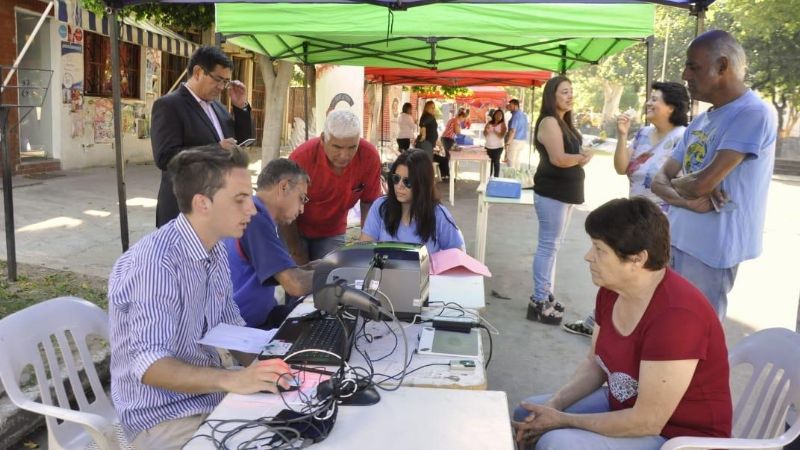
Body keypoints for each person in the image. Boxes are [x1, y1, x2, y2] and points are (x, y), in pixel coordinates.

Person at [108, 146, 292, 449]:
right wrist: (232, 379)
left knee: (294, 423)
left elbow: (230, 326)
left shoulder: (214, 247)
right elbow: (150, 365)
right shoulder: (156, 263)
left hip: (209, 396)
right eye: (240, 199)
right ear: (202, 203)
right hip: (161, 417)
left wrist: (273, 365)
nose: (252, 209)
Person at [513, 197, 732, 450]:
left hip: (680, 438)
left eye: (599, 250)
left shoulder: (677, 317)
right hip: (628, 406)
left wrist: (562, 420)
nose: (588, 256)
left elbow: (647, 422)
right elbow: (595, 363)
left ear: (637, 259)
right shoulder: (612, 290)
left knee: (558, 442)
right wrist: (554, 404)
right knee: (528, 413)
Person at [652, 30, 777, 320]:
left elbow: (701, 183)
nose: (685, 75)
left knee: (695, 331)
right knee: (668, 324)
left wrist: (682, 185)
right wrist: (685, 198)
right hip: (676, 238)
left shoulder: (753, 113)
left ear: (722, 66)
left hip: (710, 251)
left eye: (693, 66)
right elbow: (658, 180)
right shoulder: (701, 121)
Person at [563, 81, 689, 338]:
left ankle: (640, 331)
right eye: (650, 98)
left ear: (672, 107)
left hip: (663, 222)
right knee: (618, 271)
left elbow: (687, 182)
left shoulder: (683, 138)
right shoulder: (643, 134)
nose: (649, 103)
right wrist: (622, 135)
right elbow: (622, 167)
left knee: (644, 278)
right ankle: (602, 322)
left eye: (656, 99)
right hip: (634, 219)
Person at [151, 45, 254, 228]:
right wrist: (216, 149)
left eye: (226, 82)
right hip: (184, 211)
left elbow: (243, 140)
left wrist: (241, 107)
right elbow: (165, 157)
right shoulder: (169, 105)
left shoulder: (218, 107)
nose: (221, 87)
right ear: (198, 72)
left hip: (217, 209)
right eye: (218, 80)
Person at [528, 76, 593, 325]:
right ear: (552, 96)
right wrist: (581, 157)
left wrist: (579, 158)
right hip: (552, 192)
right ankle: (539, 300)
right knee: (548, 246)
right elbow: (559, 159)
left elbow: (569, 158)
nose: (570, 96)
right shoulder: (549, 122)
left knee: (553, 246)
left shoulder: (564, 123)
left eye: (571, 91)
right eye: (564, 92)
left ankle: (545, 294)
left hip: (565, 193)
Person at [225, 158, 316, 330]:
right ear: (284, 187)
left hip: (258, 315)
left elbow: (281, 272)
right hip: (245, 327)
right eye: (301, 198)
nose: (302, 209)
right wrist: (337, 273)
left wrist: (312, 268)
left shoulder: (255, 214)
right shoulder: (254, 219)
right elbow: (295, 284)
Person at [282, 110, 382, 264]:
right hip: (295, 228)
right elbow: (284, 210)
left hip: (333, 231)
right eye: (337, 147)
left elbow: (369, 203)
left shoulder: (369, 157)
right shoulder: (301, 159)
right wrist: (296, 252)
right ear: (323, 139)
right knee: (298, 275)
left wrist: (366, 246)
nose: (344, 155)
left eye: (352, 147)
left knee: (332, 274)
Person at [360, 149, 464, 255]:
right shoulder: (380, 207)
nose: (399, 186)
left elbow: (458, 256)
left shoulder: (438, 215)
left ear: (422, 184)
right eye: (396, 178)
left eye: (407, 181)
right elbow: (364, 252)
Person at [438, 110, 467, 182]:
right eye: (464, 118)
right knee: (450, 157)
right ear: (461, 116)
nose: (463, 120)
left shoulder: (452, 119)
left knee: (448, 157)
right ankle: (447, 176)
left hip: (445, 138)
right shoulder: (456, 121)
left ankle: (446, 176)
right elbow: (457, 132)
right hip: (447, 139)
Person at [505, 99, 529, 170]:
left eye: (510, 105)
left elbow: (513, 130)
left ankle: (511, 176)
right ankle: (516, 176)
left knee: (511, 163)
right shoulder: (523, 115)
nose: (509, 107)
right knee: (516, 161)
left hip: (515, 141)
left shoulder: (516, 115)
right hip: (522, 141)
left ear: (516, 106)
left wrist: (508, 143)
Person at [484, 108, 507, 177]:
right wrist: (487, 131)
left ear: (502, 116)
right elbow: (484, 133)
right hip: (488, 146)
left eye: (500, 115)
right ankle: (489, 177)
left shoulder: (503, 124)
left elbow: (501, 136)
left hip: (498, 147)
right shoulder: (489, 123)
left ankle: (496, 178)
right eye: (497, 114)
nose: (498, 116)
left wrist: (494, 131)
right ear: (494, 115)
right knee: (489, 163)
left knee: (496, 163)